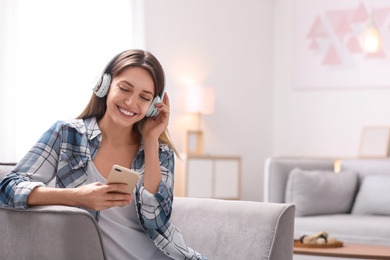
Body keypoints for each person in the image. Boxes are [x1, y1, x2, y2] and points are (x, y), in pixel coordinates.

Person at [0, 49, 207, 260]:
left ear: (153, 107)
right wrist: (76, 197)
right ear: (104, 85)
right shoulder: (67, 134)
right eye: (125, 89)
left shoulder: (160, 152)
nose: (131, 103)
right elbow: (7, 188)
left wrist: (151, 140)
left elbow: (157, 220)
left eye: (144, 98)